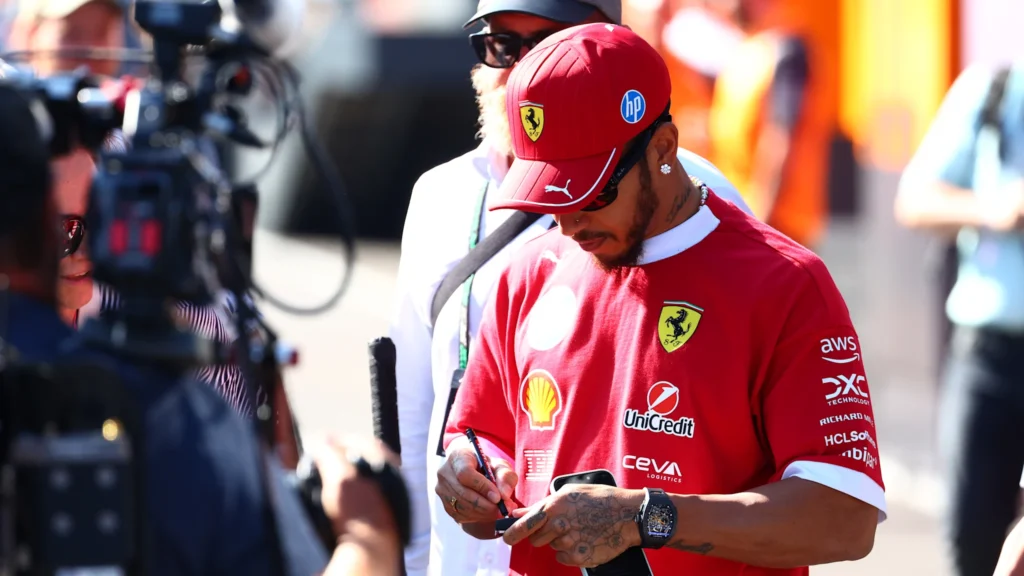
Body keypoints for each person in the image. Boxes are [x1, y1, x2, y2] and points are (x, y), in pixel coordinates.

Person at [436, 24, 885, 575]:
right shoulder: (526, 273)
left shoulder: (786, 284)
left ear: (664, 149)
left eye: (591, 192)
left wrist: (647, 516)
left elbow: (846, 518)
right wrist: (469, 476)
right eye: (549, 195)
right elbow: (480, 438)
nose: (569, 223)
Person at [390, 1, 755, 574]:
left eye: (548, 44)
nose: (521, 68)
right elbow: (417, 415)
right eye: (501, 45)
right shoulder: (439, 195)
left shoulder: (686, 190)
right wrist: (413, 560)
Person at [0, 83, 403, 576]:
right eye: (68, 229)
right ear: (43, 223)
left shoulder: (198, 356)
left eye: (96, 221)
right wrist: (369, 536)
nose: (85, 249)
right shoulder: (177, 417)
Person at [7, 0, 255, 414]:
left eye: (101, 218)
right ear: (26, 34)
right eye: (72, 31)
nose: (88, 49)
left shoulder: (158, 145)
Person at [896, 62, 1024, 576]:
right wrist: (997, 208)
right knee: (974, 541)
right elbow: (915, 200)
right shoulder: (995, 90)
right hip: (990, 354)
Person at [706, 0, 827, 250]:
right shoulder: (751, 47)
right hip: (743, 218)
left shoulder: (786, 48)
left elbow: (780, 139)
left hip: (776, 230)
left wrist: (759, 224)